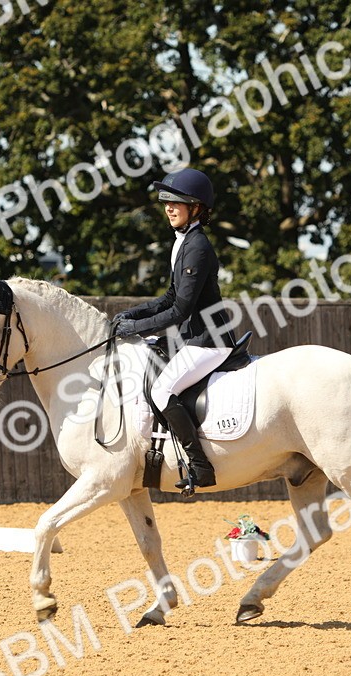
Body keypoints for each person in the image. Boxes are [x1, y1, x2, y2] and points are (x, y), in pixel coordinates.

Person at [112, 167, 235, 490]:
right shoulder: (182, 242)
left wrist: (136, 327)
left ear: (196, 208)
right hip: (193, 339)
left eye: (176, 202)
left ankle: (200, 466)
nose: (168, 207)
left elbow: (181, 310)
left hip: (209, 341)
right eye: (166, 201)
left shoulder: (197, 246)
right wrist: (132, 313)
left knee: (162, 390)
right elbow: (171, 296)